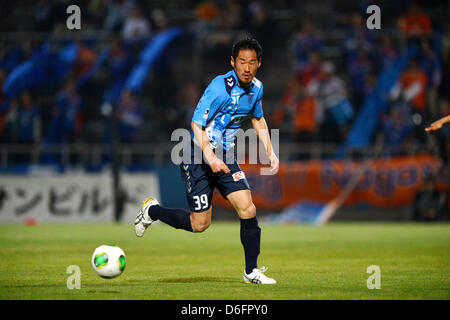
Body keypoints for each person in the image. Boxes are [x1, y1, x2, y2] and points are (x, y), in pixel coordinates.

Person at [134, 37, 279, 284]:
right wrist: (209, 156)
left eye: (251, 63)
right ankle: (152, 211)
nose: (246, 67)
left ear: (259, 64)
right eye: (241, 61)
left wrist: (269, 150)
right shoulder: (218, 87)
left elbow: (258, 118)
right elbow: (196, 124)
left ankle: (251, 271)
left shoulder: (257, 88)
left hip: (225, 156)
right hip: (196, 155)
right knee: (200, 224)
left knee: (248, 208)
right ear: (232, 62)